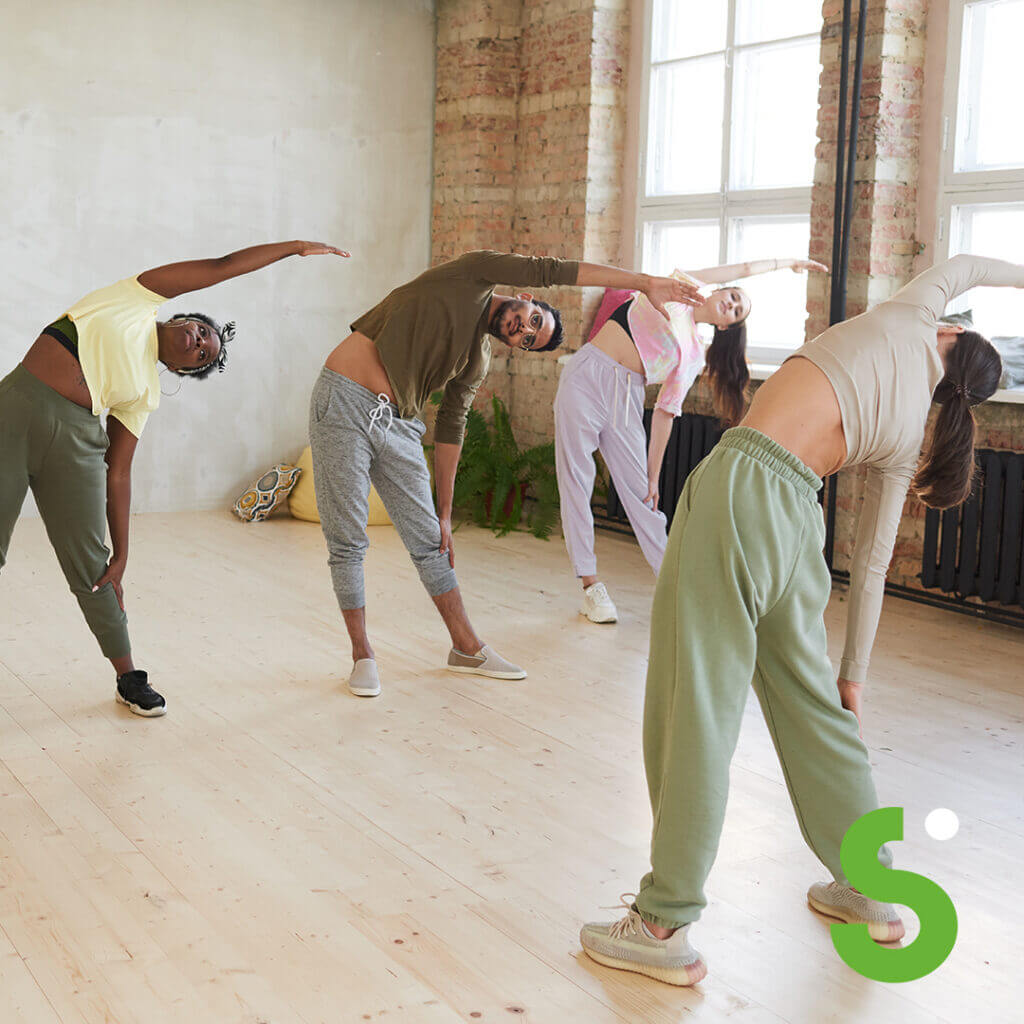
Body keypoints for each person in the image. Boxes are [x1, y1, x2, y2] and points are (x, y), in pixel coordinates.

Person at [578, 253, 1019, 985]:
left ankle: (662, 920)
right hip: (794, 520)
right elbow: (871, 566)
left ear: (948, 333)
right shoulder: (912, 432)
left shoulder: (910, 315)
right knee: (817, 714)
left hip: (741, 483)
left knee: (696, 700)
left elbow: (970, 265)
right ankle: (871, 889)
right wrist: (851, 677)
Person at [309, 249, 702, 697]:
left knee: (433, 545)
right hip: (343, 399)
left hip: (398, 423)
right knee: (347, 538)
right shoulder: (473, 275)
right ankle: (363, 655)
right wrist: (644, 281)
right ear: (526, 297)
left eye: (531, 340)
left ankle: (466, 648)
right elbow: (557, 270)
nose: (526, 331)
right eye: (534, 321)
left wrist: (445, 512)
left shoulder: (476, 359)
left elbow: (452, 426)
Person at [0, 240, 349, 716]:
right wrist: (291, 249)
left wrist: (122, 552)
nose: (200, 342)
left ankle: (128, 676)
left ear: (184, 368)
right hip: (16, 410)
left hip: (76, 443)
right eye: (202, 331)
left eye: (204, 354)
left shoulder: (144, 392)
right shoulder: (136, 298)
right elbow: (221, 267)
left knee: (94, 569)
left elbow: (118, 472)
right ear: (183, 317)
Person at [554, 257, 827, 624]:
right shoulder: (676, 290)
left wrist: (652, 477)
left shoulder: (693, 355)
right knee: (576, 482)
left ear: (727, 325)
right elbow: (741, 269)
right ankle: (590, 586)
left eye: (736, 310)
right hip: (588, 376)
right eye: (731, 296)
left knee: (645, 502)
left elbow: (666, 413)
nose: (730, 304)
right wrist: (784, 263)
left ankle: (677, 584)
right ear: (717, 291)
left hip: (627, 396)